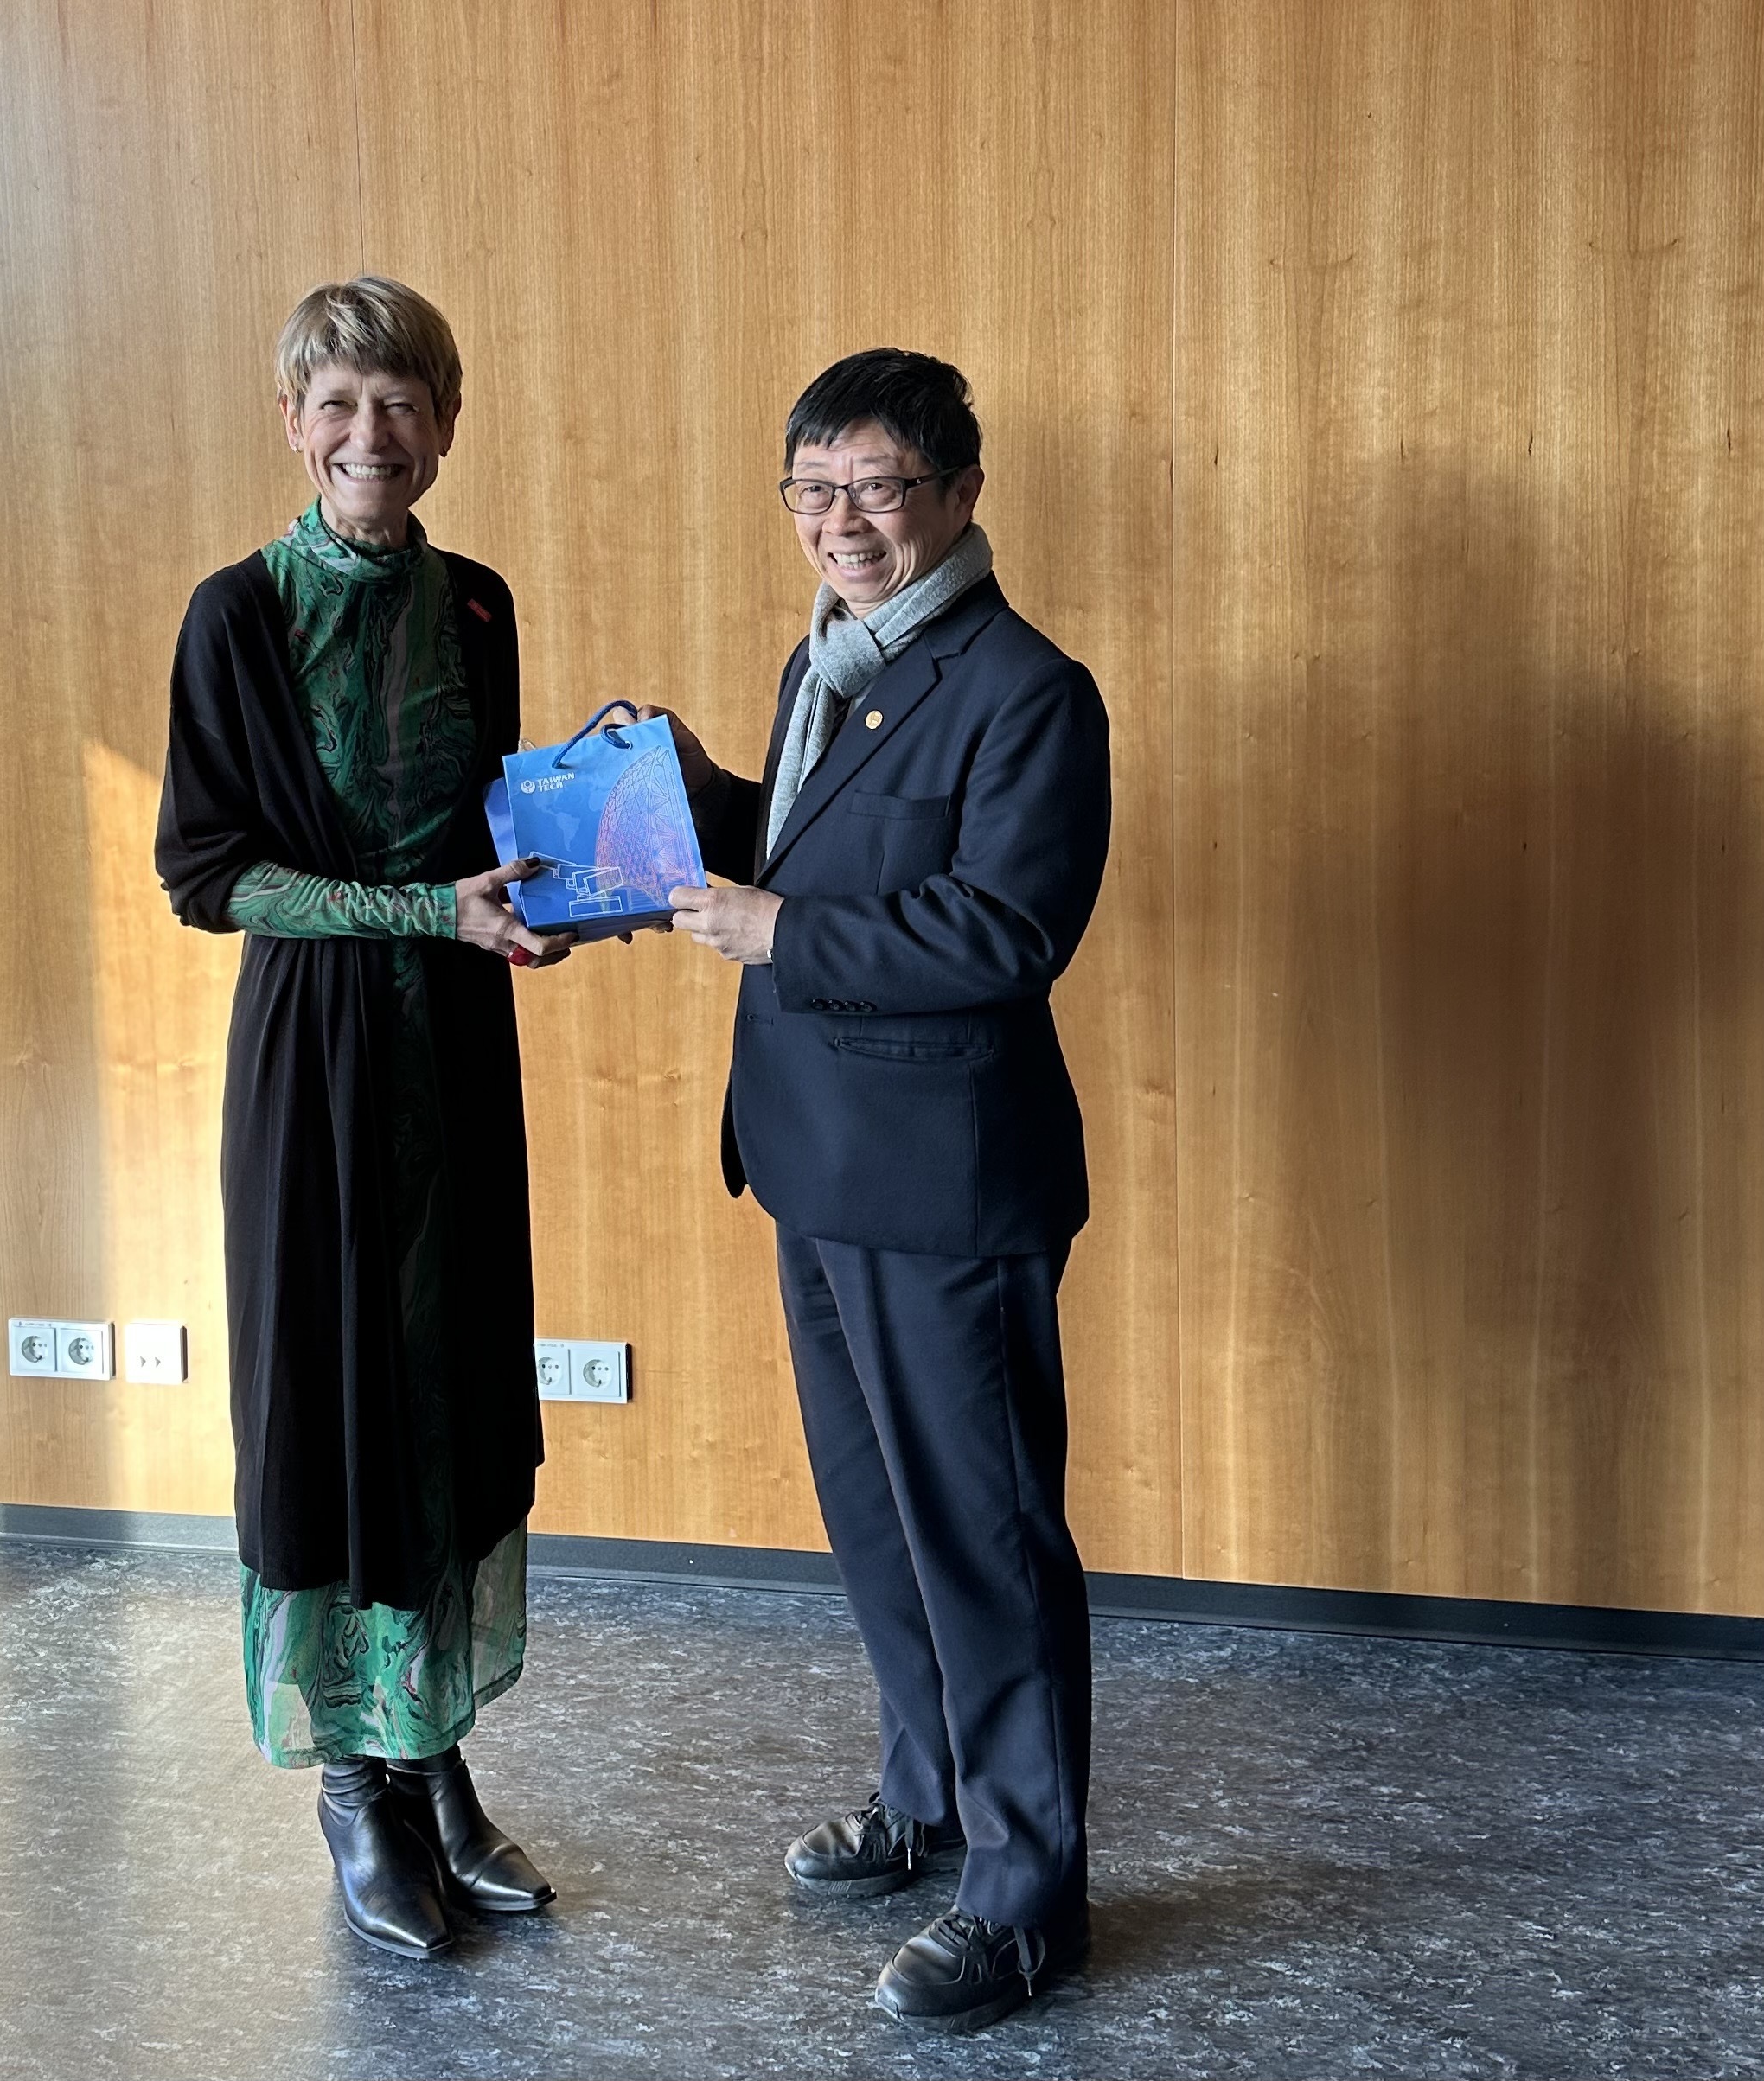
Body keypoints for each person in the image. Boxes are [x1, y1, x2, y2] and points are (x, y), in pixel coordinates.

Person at [654, 348, 1110, 2033]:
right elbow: (803, 855)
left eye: (880, 487)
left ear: (963, 493)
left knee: (983, 1543)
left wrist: (782, 934)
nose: (844, 521)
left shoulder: (1028, 689)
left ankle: (1025, 1897)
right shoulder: (825, 664)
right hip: (809, 1160)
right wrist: (691, 786)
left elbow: (1005, 932)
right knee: (880, 1528)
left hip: (946, 1184)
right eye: (814, 490)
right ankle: (928, 1803)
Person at [155, 276, 572, 1961]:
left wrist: (564, 874)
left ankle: (437, 1752)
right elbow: (211, 877)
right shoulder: (235, 615)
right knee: (332, 1395)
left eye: (400, 403)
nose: (370, 436)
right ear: (292, 423)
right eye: (337, 404)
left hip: (458, 1044)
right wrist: (420, 919)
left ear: (448, 424)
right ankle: (353, 1782)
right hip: (320, 1055)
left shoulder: (478, 604)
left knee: (455, 1384)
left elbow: (491, 813)